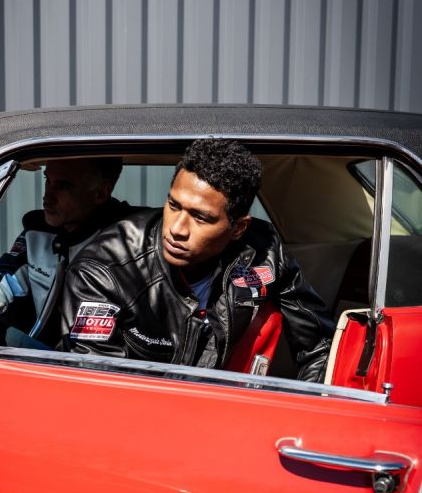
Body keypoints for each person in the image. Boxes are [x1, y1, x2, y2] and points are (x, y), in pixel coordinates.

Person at [60, 138, 334, 382]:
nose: (177, 229)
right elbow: (98, 382)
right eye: (173, 205)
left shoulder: (263, 251)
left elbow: (321, 346)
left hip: (225, 405)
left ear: (238, 228)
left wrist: (309, 408)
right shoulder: (105, 269)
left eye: (201, 217)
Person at [0, 156, 136, 346]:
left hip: (94, 358)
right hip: (49, 353)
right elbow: (1, 277)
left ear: (100, 194)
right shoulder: (38, 232)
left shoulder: (129, 245)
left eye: (63, 186)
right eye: (47, 180)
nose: (47, 196)